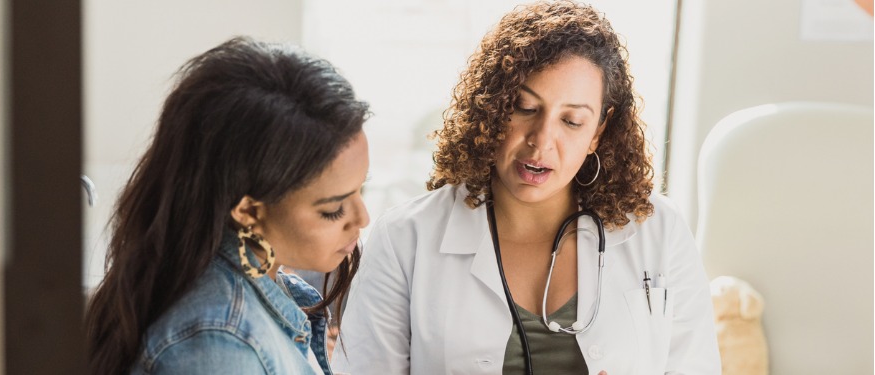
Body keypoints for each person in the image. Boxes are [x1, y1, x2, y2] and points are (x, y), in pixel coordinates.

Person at [332, 2, 721, 374]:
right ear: (493, 107)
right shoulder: (405, 238)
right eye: (525, 108)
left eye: (571, 121)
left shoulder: (658, 229)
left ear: (598, 131)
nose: (541, 140)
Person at [85, 37, 371, 374]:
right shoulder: (220, 343)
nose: (362, 218)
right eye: (332, 210)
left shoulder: (260, 288)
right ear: (248, 211)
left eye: (360, 190)